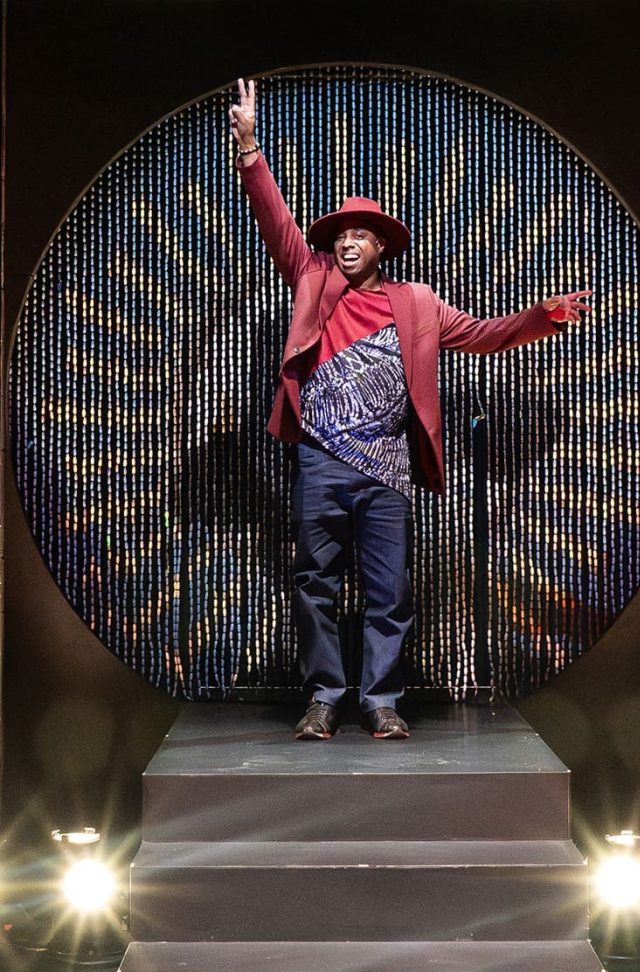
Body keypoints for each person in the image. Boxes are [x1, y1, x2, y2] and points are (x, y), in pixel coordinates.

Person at [229, 78, 591, 741]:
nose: (347, 243)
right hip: (320, 460)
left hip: (387, 468)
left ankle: (380, 700)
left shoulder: (418, 303)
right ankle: (323, 698)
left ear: (381, 248)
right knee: (314, 583)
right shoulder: (312, 278)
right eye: (340, 235)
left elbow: (482, 334)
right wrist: (250, 148)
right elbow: (276, 222)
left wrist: (541, 316)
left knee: (388, 591)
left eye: (360, 235)